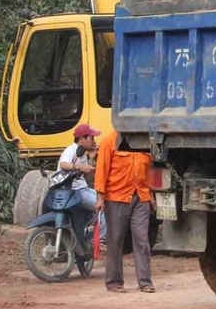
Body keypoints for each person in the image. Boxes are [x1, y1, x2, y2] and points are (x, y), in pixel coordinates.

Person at [94, 128, 154, 292]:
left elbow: (150, 169)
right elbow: (102, 169)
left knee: (142, 240)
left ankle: (145, 282)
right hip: (116, 197)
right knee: (115, 241)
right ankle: (114, 282)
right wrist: (100, 196)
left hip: (141, 196)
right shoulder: (109, 141)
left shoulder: (146, 141)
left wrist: (152, 196)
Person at [58, 123, 104, 237]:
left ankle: (87, 235)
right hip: (75, 191)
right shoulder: (72, 149)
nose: (94, 141)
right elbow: (63, 164)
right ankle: (101, 240)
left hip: (82, 188)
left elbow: (87, 178)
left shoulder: (82, 153)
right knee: (103, 206)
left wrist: (92, 158)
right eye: (91, 138)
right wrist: (79, 167)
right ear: (82, 139)